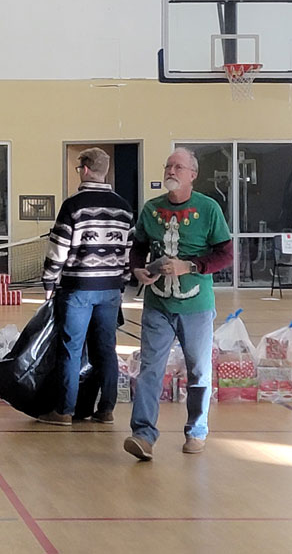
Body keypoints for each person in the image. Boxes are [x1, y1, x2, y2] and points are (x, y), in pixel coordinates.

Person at [124, 147, 233, 460]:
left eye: (178, 167)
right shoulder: (151, 209)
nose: (171, 171)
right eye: (168, 166)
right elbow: (138, 246)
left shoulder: (209, 209)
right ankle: (143, 435)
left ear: (193, 175)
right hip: (158, 305)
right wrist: (137, 269)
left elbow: (225, 254)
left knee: (198, 370)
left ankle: (196, 431)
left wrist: (191, 266)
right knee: (150, 370)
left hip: (196, 306)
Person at [37, 148, 134, 426]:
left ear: (86, 169)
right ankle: (106, 409)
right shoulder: (124, 208)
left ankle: (64, 411)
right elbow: (127, 253)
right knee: (106, 349)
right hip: (111, 289)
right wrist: (121, 283)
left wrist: (49, 282)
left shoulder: (73, 206)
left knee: (72, 348)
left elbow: (59, 248)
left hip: (78, 288)